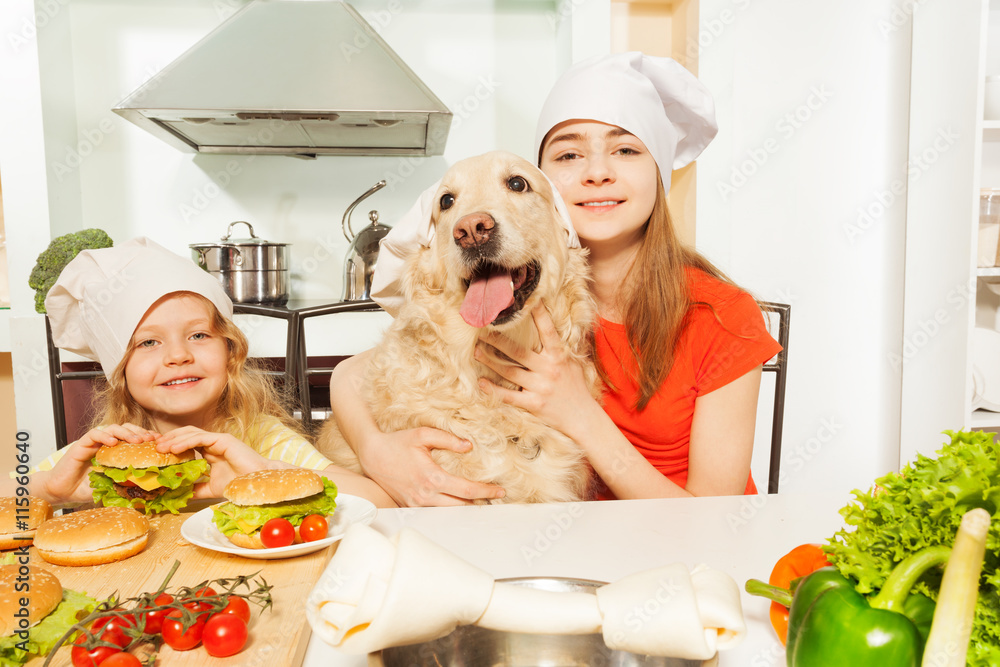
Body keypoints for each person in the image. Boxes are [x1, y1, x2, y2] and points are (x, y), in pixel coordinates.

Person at [328, 52, 781, 505]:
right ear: (549, 191)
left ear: (659, 173)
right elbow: (352, 373)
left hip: (685, 552)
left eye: (625, 150)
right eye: (569, 154)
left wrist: (579, 413)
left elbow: (717, 522)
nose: (598, 172)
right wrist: (375, 451)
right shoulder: (527, 304)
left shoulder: (722, 316)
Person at [5, 238, 395, 508]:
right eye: (148, 343)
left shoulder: (259, 437)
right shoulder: (107, 454)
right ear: (119, 374)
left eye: (198, 334)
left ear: (229, 352)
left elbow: (380, 501)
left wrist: (263, 472)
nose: (178, 355)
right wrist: (51, 489)